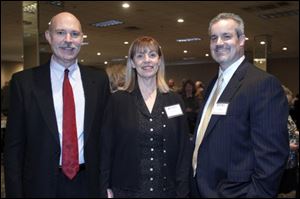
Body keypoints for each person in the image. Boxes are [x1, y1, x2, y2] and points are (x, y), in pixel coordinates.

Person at [4, 12, 110, 197]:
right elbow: (14, 148)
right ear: (48, 36)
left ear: (82, 39)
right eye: (61, 32)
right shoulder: (24, 83)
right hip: (40, 186)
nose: (68, 40)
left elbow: (107, 139)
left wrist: (108, 186)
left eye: (74, 34)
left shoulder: (98, 81)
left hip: (89, 184)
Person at [191, 13, 289, 198]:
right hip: (201, 189)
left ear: (242, 40)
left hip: (235, 192)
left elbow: (272, 156)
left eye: (227, 36)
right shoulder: (213, 83)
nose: (219, 42)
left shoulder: (262, 84)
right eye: (214, 38)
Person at [100, 36, 190, 198]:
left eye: (152, 55)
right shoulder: (118, 100)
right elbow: (106, 148)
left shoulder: (174, 100)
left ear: (159, 60)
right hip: (126, 191)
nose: (147, 60)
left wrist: (183, 190)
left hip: (167, 191)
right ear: (133, 63)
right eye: (140, 56)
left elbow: (183, 150)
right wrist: (105, 187)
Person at [278, 85, 299, 196]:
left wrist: (297, 133)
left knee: (290, 190)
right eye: (286, 103)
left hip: (291, 162)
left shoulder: (287, 115)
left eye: (290, 104)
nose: (289, 106)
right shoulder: (271, 117)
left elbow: (292, 130)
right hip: (279, 164)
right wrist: (288, 146)